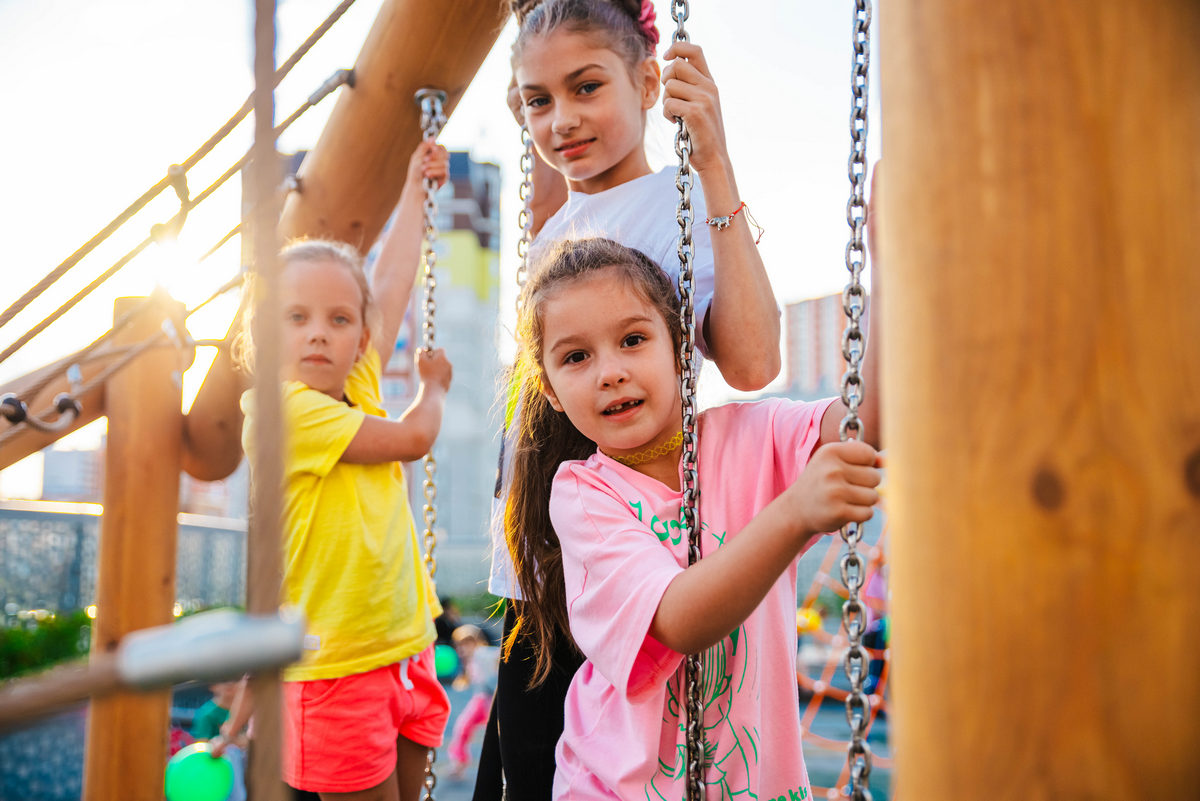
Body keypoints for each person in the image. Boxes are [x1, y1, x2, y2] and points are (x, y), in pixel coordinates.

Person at [478, 1, 782, 796]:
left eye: (585, 88)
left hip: (621, 571)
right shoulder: (556, 234)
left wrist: (713, 161)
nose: (561, 120)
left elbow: (752, 362)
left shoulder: (679, 203)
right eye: (537, 101)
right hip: (532, 575)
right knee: (518, 775)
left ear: (647, 81)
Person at [507, 237, 882, 797]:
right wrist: (794, 512)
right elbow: (678, 620)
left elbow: (866, 421)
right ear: (551, 391)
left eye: (633, 340)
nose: (609, 372)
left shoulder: (753, 436)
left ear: (682, 350)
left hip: (760, 784)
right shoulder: (584, 495)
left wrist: (894, 265)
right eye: (576, 357)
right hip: (618, 788)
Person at [225, 141, 454, 801]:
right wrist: (433, 386)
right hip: (335, 666)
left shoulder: (356, 386)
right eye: (296, 319)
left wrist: (415, 189)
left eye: (337, 320)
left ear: (361, 336)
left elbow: (389, 282)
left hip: (401, 644)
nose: (319, 333)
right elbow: (414, 436)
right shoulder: (283, 412)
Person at [446, 624, 501, 780]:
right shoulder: (471, 659)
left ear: (475, 642)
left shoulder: (482, 653)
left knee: (466, 729)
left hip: (488, 700)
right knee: (463, 728)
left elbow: (497, 655)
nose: (461, 649)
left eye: (465, 644)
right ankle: (458, 762)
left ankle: (460, 763)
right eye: (458, 645)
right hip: (482, 700)